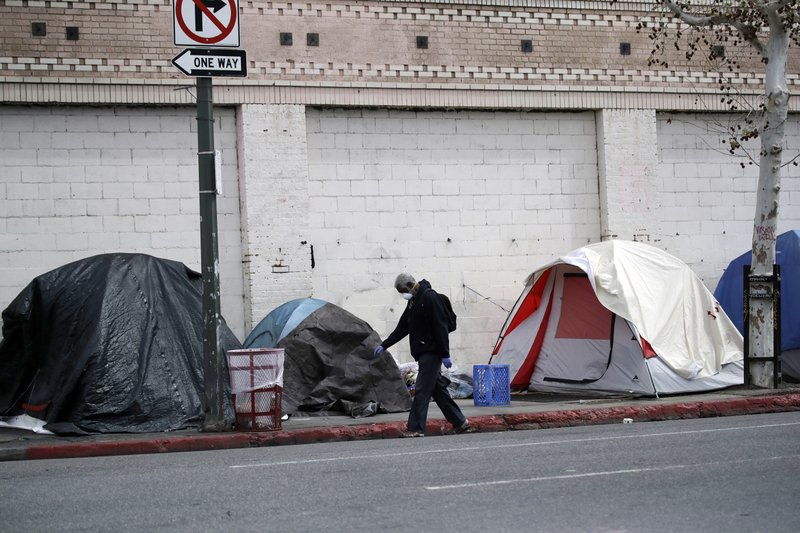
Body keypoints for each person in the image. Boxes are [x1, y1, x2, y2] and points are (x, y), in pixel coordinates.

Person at [374, 272, 473, 437]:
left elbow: (440, 327)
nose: (403, 295)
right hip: (424, 353)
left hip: (432, 352)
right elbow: (403, 327)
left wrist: (444, 354)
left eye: (403, 291)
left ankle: (415, 428)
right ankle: (460, 422)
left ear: (410, 285)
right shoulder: (413, 301)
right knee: (437, 390)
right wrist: (384, 345)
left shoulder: (430, 298)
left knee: (421, 390)